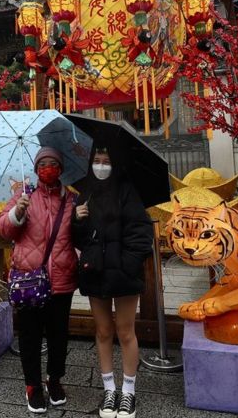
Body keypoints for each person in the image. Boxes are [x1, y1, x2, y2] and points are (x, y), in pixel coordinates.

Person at [72, 146, 153, 418]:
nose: (101, 165)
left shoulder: (128, 191)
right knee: (104, 330)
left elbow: (141, 232)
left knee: (126, 330)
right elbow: (77, 239)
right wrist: (77, 221)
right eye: (96, 160)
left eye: (106, 161)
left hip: (124, 272)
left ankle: (128, 391)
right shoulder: (86, 192)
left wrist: (128, 264)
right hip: (95, 271)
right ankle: (109, 389)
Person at [0, 147, 79, 413]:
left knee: (59, 336)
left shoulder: (72, 201)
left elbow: (80, 235)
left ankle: (54, 380)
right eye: (42, 163)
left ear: (61, 168)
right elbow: (4, 228)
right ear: (35, 169)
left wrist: (80, 220)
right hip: (30, 279)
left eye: (53, 163)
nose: (48, 167)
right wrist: (16, 213)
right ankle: (32, 385)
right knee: (30, 336)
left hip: (62, 279)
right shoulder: (23, 197)